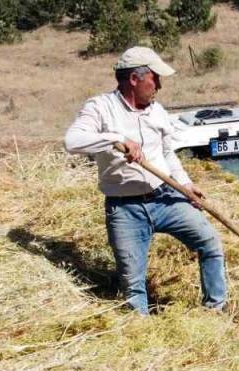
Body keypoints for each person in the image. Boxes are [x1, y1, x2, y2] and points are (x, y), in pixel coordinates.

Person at [63, 46, 227, 314]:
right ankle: (141, 331)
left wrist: (185, 184)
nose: (159, 85)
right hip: (125, 208)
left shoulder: (157, 110)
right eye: (155, 78)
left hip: (165, 197)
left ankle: (215, 310)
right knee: (132, 281)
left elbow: (166, 153)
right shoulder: (100, 108)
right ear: (134, 79)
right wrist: (115, 139)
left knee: (210, 244)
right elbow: (72, 141)